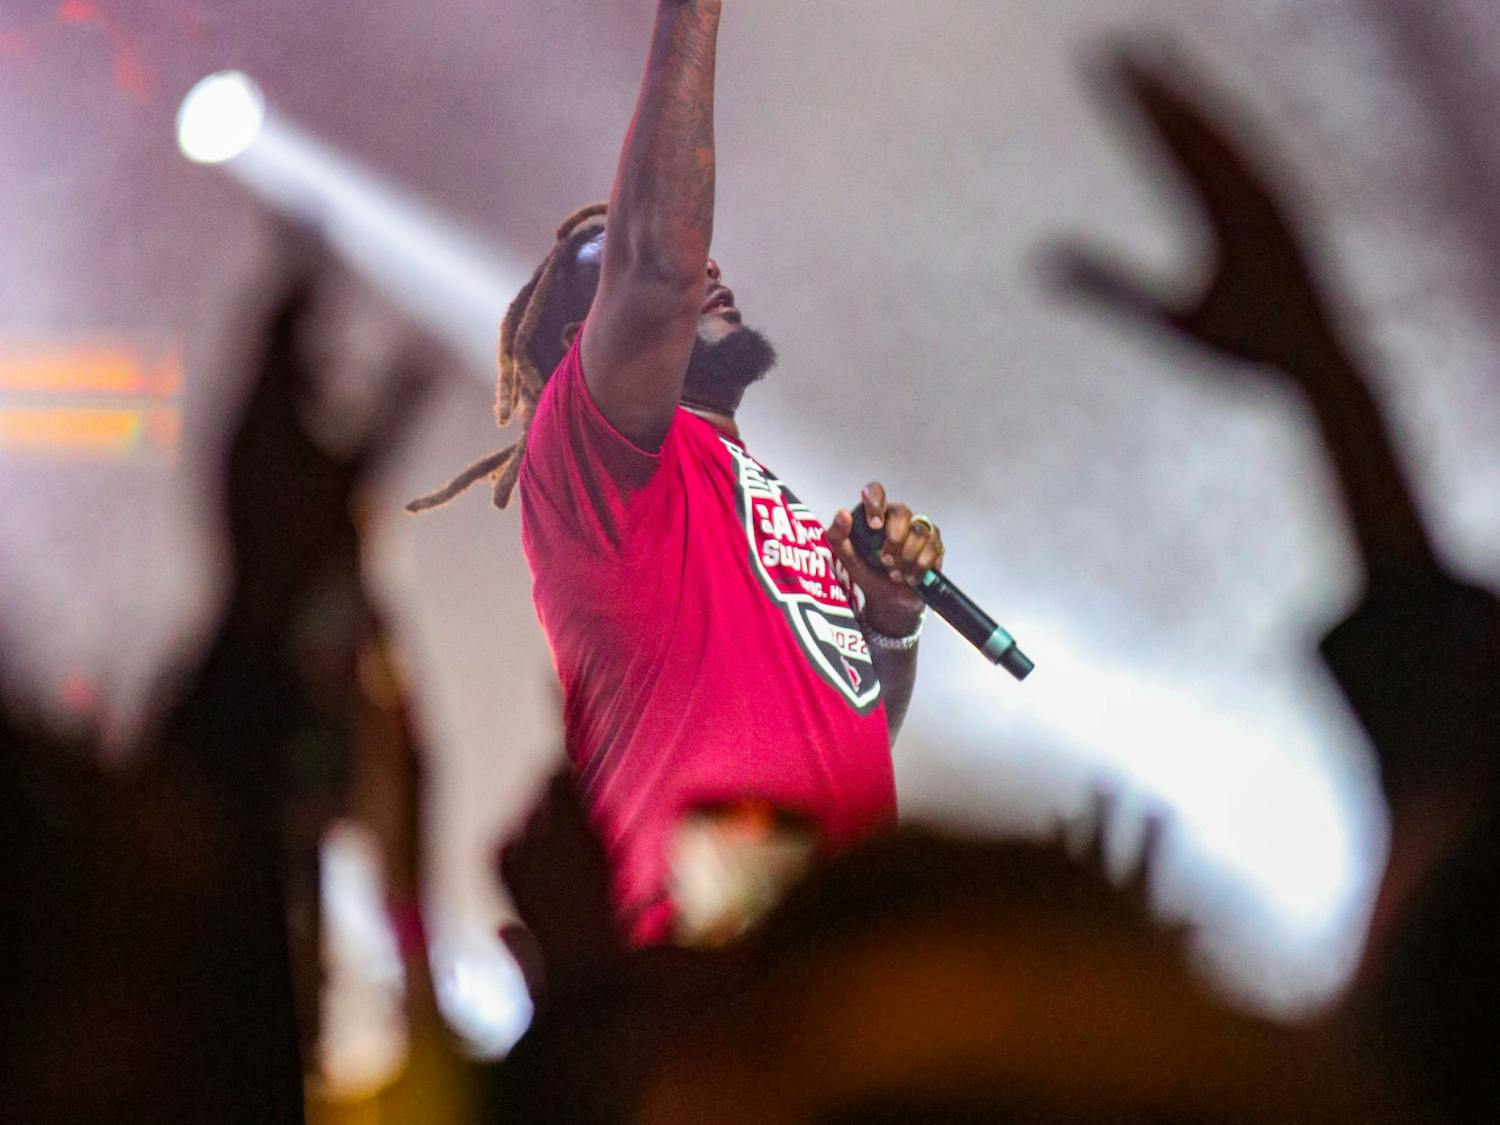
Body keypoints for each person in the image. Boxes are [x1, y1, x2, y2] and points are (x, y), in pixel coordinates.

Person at [414, 0, 947, 945]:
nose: (705, 270)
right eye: (631, 275)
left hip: (843, 963)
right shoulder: (591, 468)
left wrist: (891, 627)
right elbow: (658, 265)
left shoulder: (748, 486)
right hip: (703, 971)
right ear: (591, 347)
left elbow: (855, 722)